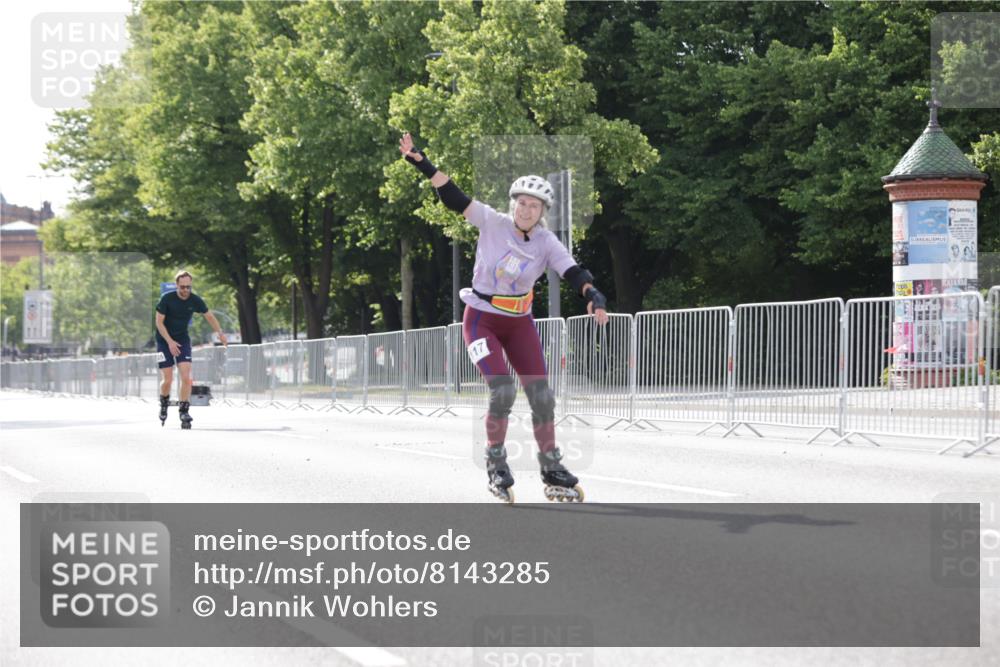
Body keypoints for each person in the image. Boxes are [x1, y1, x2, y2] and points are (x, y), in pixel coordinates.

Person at [399, 132, 609, 503]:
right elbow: (455, 197)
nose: (526, 210)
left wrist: (592, 295)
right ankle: (496, 461)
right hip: (481, 320)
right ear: (513, 205)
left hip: (519, 323)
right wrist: (423, 163)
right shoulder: (493, 222)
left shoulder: (546, 242)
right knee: (503, 390)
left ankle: (551, 466)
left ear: (543, 212)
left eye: (534, 206)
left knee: (542, 396)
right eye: (522, 204)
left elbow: (572, 270)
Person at [154, 271, 227, 428]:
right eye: (183, 287)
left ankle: (184, 410)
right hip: (163, 340)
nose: (186, 290)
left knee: (186, 377)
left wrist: (220, 333)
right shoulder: (167, 299)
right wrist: (170, 342)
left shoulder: (194, 300)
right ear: (177, 285)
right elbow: (159, 323)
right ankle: (164, 402)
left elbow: (209, 316)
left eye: (188, 287)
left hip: (182, 340)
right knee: (168, 379)